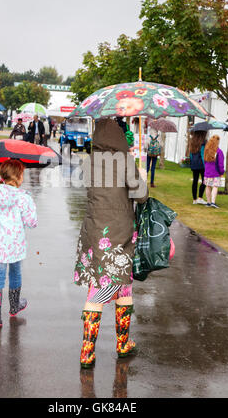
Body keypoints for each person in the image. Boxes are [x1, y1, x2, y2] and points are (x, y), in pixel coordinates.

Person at [74, 119, 148, 368]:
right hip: (118, 233)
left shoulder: (89, 162)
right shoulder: (124, 162)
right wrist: (141, 174)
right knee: (107, 286)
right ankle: (101, 349)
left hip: (94, 230)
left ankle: (110, 346)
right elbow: (141, 195)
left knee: (120, 285)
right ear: (118, 136)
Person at [0, 159, 38, 330]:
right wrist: (30, 204)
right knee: (15, 272)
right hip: (14, 243)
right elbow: (32, 222)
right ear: (18, 177)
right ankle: (14, 306)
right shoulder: (23, 198)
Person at [204, 135, 225, 208]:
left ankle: (208, 202)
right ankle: (213, 202)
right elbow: (220, 164)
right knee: (215, 187)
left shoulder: (206, 150)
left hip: (207, 172)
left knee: (208, 186)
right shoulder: (219, 151)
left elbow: (205, 162)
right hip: (215, 172)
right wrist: (221, 172)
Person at [189, 131, 207, 204]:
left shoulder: (192, 141)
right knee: (204, 180)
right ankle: (200, 197)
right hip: (201, 165)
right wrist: (205, 165)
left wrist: (191, 162)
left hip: (194, 164)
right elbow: (203, 154)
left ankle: (194, 199)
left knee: (195, 181)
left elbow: (190, 154)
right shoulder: (203, 142)